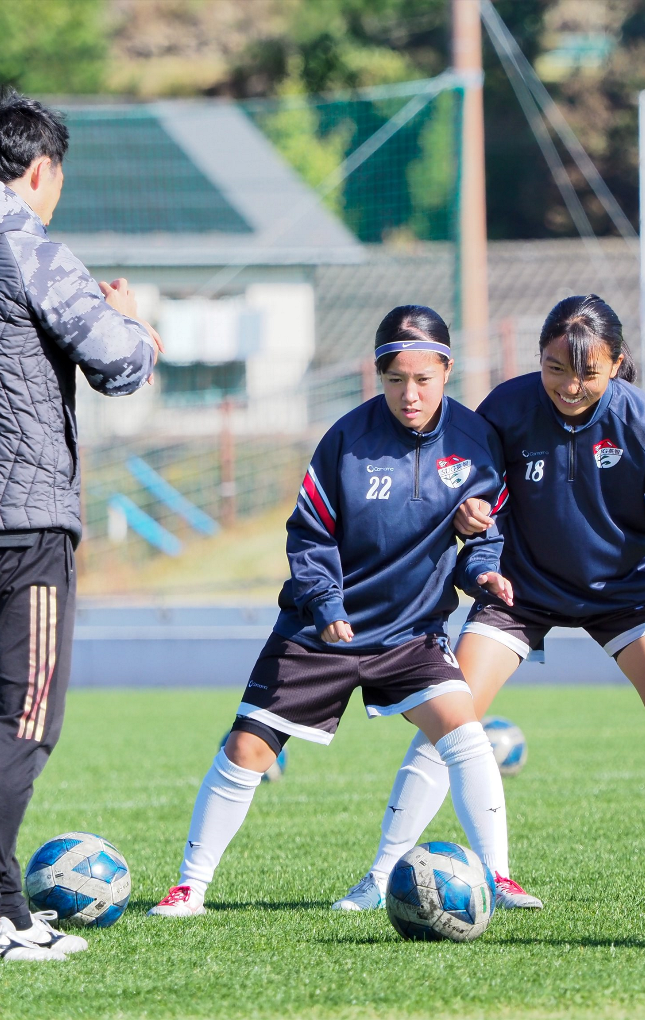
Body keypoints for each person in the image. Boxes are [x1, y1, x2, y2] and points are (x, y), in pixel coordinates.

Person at [333, 295, 645, 911]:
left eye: (588, 372)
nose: (569, 385)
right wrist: (473, 536)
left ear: (617, 364)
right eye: (555, 368)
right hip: (520, 590)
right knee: (449, 718)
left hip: (621, 592)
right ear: (539, 358)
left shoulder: (644, 421)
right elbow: (472, 493)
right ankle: (378, 878)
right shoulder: (506, 409)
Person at [148, 305, 540, 918]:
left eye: (423, 380)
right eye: (394, 381)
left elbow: (481, 535)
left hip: (411, 633)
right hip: (319, 632)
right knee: (248, 750)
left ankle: (499, 875)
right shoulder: (346, 441)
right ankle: (189, 887)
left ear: (446, 370)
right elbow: (309, 536)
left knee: (465, 736)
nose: (409, 395)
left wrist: (483, 569)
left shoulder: (476, 443)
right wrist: (327, 603)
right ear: (378, 376)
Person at [0, 87, 162, 961]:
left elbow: (9, 347)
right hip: (26, 524)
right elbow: (118, 361)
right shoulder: (28, 240)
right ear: (39, 169)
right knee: (27, 725)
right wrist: (134, 321)